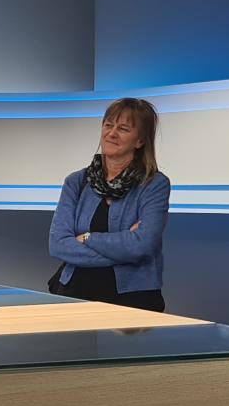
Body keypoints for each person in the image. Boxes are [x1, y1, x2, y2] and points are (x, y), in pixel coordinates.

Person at [47, 98, 170, 311]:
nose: (112, 133)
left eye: (123, 129)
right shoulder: (76, 181)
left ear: (140, 141)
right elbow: (58, 244)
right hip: (75, 294)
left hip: (133, 301)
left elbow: (141, 246)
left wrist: (88, 238)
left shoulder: (154, 184)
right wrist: (123, 250)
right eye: (108, 125)